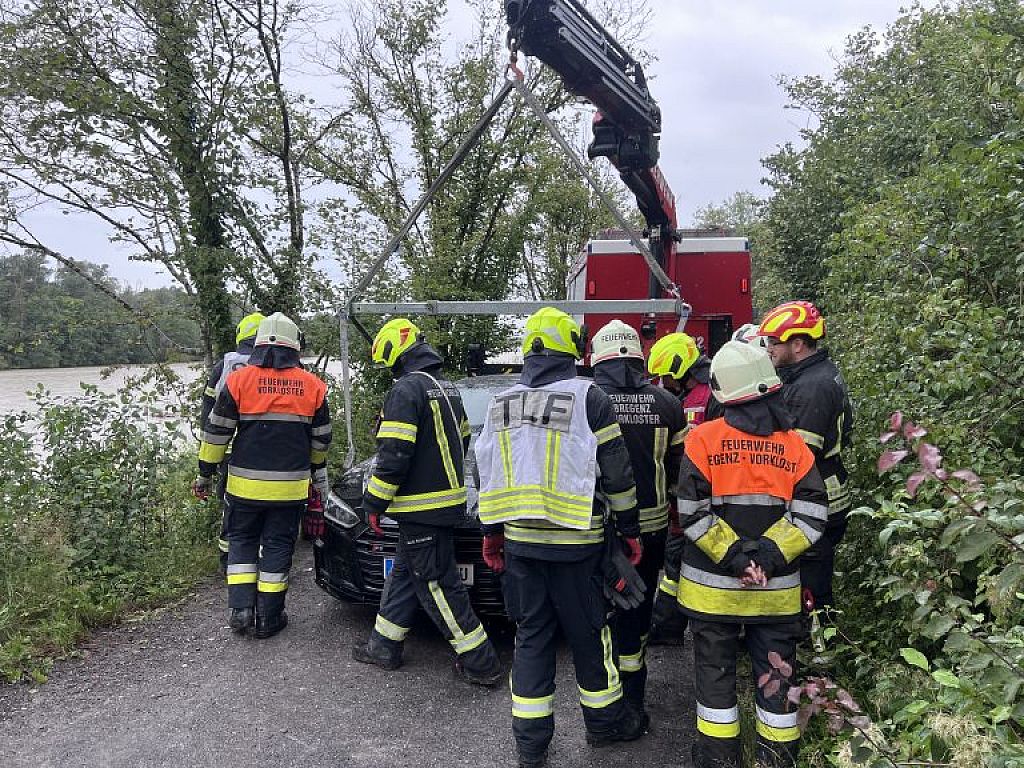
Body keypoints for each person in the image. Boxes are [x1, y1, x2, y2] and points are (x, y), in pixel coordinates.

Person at [475, 307, 646, 768]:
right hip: (579, 544)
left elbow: (487, 473)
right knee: (591, 637)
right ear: (569, 346)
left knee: (530, 637)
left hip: (521, 544)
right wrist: (629, 530)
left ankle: (530, 747)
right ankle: (605, 727)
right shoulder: (589, 396)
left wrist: (492, 535)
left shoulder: (500, 402)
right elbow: (617, 471)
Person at [676, 340, 829, 768]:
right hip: (775, 594)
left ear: (723, 391)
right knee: (777, 678)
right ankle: (777, 759)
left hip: (712, 596)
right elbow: (813, 513)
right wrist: (767, 557)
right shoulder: (796, 446)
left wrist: (737, 558)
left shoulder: (702, 440)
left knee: (715, 678)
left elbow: (691, 513)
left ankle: (718, 759)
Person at [350, 318, 503, 687]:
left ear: (394, 353)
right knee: (404, 575)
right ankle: (383, 646)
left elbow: (394, 455)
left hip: (421, 510)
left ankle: (481, 663)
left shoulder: (406, 390)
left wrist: (373, 503)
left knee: (438, 586)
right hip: (443, 505)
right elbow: (465, 443)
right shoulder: (446, 389)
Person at [193, 312, 331, 639]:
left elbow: (216, 434)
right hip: (289, 490)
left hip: (243, 488)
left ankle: (241, 611)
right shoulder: (313, 386)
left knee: (240, 542)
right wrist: (314, 473)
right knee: (278, 546)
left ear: (257, 344)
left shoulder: (238, 381)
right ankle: (269, 618)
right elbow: (321, 440)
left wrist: (205, 473)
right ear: (294, 345)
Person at [590, 319, 687, 725]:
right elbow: (681, 473)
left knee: (599, 614)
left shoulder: (589, 401)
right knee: (638, 613)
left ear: (598, 358)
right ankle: (634, 698)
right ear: (639, 356)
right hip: (652, 533)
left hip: (598, 532)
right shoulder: (668, 404)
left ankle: (604, 700)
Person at [757, 301, 854, 612]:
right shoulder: (815, 375)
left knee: (812, 589)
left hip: (816, 500)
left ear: (797, 344)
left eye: (774, 341)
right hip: (825, 492)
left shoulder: (811, 387)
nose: (769, 348)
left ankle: (820, 653)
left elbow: (796, 457)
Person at [645, 331, 711, 647]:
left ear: (679, 369)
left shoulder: (701, 399)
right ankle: (669, 626)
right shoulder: (699, 393)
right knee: (677, 565)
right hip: (690, 498)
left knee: (677, 565)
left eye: (666, 376)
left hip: (696, 499)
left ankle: (669, 628)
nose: (663, 383)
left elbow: (691, 457)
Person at [199, 311, 265, 569]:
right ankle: (262, 557)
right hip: (268, 450)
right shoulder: (279, 367)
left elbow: (208, 413)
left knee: (232, 506)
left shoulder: (225, 365)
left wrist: (206, 460)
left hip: (228, 450)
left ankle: (230, 560)